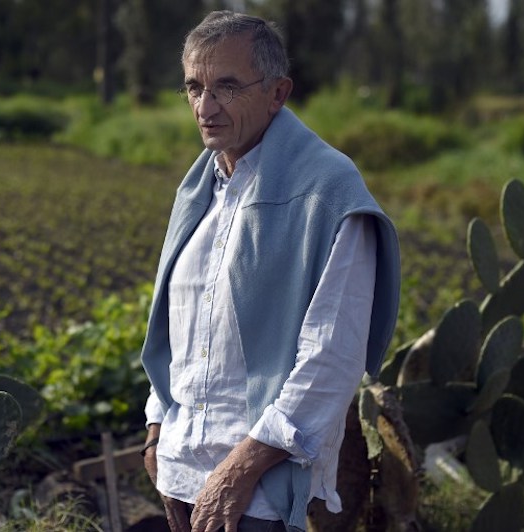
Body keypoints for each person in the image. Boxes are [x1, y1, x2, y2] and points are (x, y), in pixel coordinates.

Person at [140, 10, 400, 532]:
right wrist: (155, 433)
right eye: (194, 87)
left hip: (259, 494)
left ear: (278, 93)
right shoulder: (200, 189)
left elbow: (332, 359)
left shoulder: (329, 191)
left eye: (226, 87)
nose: (204, 107)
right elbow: (182, 329)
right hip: (181, 471)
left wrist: (238, 473)